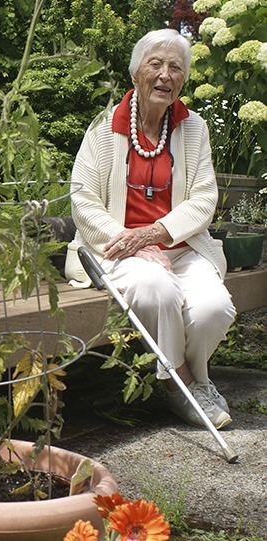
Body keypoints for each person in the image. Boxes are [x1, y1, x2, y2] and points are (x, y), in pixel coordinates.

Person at [64, 28, 236, 429]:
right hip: (116, 246)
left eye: (175, 67)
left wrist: (155, 234)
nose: (164, 74)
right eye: (155, 64)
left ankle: (188, 382)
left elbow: (204, 199)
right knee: (155, 289)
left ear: (183, 79)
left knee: (215, 309)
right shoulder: (103, 129)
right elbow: (82, 200)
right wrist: (135, 243)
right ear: (135, 73)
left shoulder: (194, 129)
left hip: (178, 244)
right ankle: (185, 386)